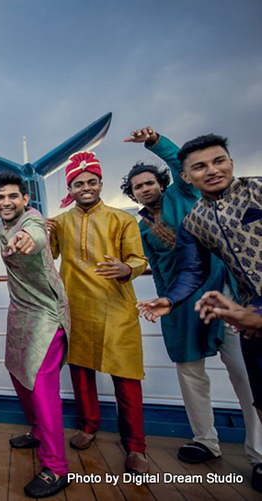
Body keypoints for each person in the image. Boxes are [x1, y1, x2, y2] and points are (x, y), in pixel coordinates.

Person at [123, 127, 262, 468]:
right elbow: (155, 266)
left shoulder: (184, 196)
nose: (146, 188)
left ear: (165, 183)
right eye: (139, 186)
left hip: (227, 296)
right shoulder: (140, 227)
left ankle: (258, 452)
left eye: (150, 182)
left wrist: (155, 140)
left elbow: (183, 161)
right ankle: (205, 440)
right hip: (180, 301)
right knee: (190, 373)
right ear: (134, 194)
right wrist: (165, 300)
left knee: (243, 372)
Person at [0, 169, 70, 497]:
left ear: (26, 199)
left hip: (47, 312)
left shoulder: (31, 222)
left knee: (40, 384)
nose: (6, 202)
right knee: (16, 371)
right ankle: (37, 430)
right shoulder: (0, 217)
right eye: (1, 197)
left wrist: (29, 240)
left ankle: (56, 467)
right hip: (20, 310)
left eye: (14, 197)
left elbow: (35, 234)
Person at [47, 151, 149, 474]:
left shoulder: (123, 219)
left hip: (116, 307)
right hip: (75, 308)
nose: (86, 187)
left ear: (101, 183)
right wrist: (42, 232)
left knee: (127, 378)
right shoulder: (61, 222)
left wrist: (126, 268)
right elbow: (47, 260)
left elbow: (139, 260)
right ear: (70, 188)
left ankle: (135, 447)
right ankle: (88, 426)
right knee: (80, 372)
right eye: (79, 183)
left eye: (91, 182)